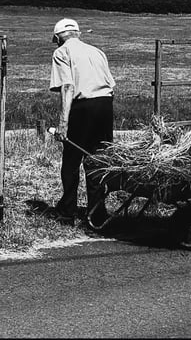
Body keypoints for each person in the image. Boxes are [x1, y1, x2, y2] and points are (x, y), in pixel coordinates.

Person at [48, 18, 115, 228]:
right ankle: (97, 213)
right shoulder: (97, 52)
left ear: (58, 37)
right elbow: (111, 84)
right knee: (97, 160)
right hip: (105, 105)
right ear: (78, 33)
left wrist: (63, 122)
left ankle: (68, 212)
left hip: (82, 107)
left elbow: (67, 86)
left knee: (71, 161)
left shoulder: (61, 52)